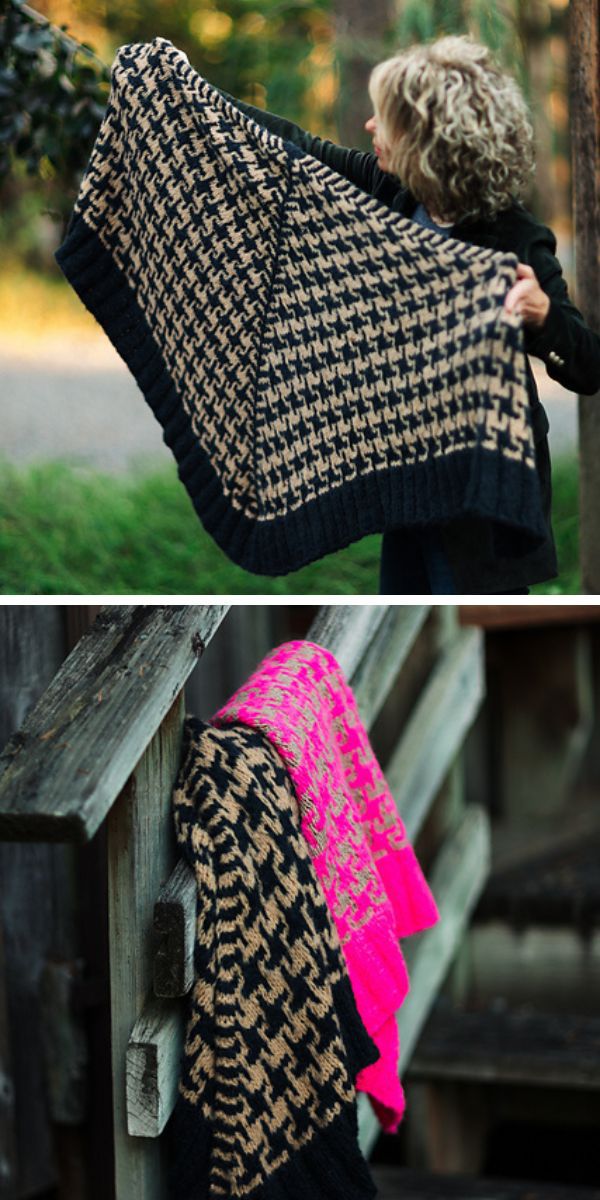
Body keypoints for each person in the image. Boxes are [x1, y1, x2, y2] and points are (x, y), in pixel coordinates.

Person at [216, 34, 600, 595]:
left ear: (428, 139)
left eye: (387, 120)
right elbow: (294, 147)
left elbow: (588, 366)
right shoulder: (389, 195)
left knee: (469, 624)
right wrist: (198, 95)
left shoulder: (514, 239)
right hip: (409, 483)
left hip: (482, 499)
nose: (371, 127)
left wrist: (542, 318)